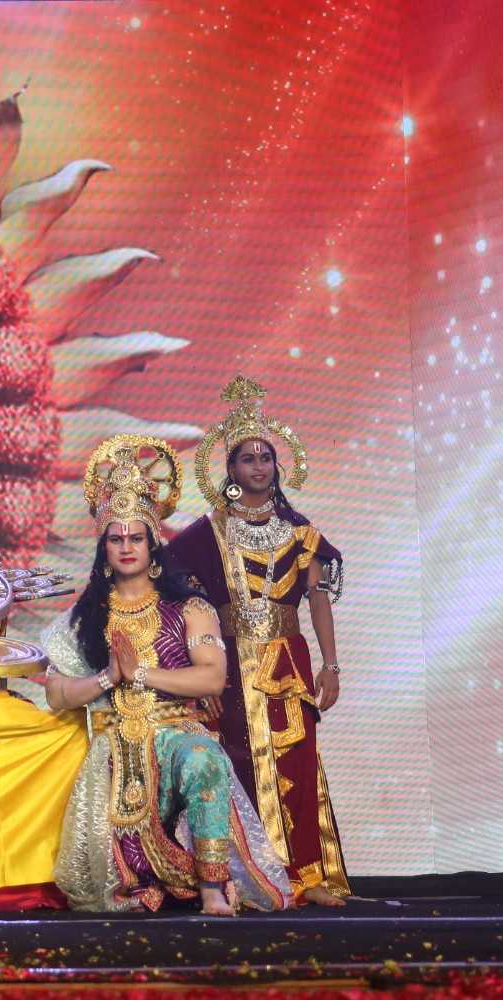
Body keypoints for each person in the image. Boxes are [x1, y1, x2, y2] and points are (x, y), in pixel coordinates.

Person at [45, 434, 292, 915]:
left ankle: (212, 887)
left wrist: (141, 673)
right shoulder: (84, 618)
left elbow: (211, 679)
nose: (126, 547)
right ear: (103, 548)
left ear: (152, 542)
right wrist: (107, 679)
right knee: (112, 879)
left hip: (177, 733)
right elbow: (57, 694)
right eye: (116, 539)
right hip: (115, 746)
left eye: (135, 537)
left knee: (204, 758)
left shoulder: (190, 608)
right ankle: (142, 881)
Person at [166, 375, 350, 906]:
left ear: (277, 465)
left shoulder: (300, 533)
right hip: (229, 667)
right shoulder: (209, 530)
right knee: (238, 764)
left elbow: (317, 599)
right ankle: (245, 877)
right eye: (247, 459)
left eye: (266, 457)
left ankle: (306, 878)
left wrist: (331, 665)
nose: (258, 466)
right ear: (231, 470)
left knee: (297, 765)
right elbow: (173, 590)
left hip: (288, 662)